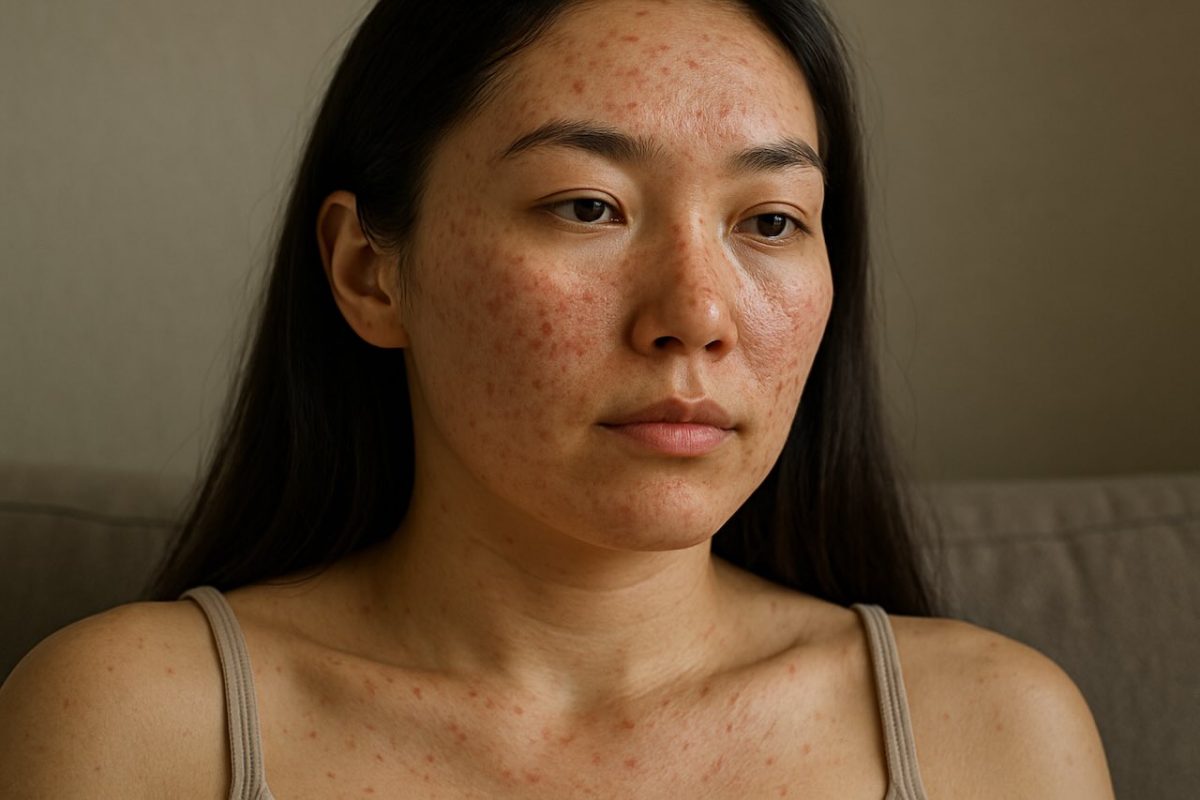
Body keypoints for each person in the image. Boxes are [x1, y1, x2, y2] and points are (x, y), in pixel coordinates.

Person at [0, 1, 1114, 797]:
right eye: (588, 206)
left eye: (769, 220)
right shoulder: (137, 723)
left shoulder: (999, 734)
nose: (696, 311)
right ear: (368, 270)